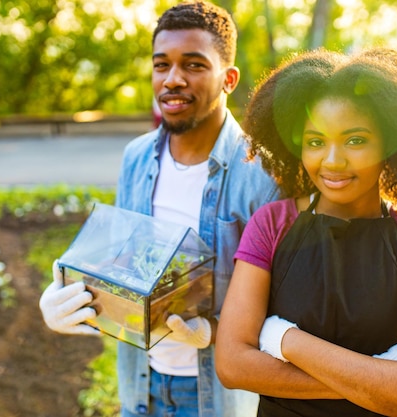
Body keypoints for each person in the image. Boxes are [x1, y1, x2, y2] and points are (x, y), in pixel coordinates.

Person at [38, 1, 280, 416]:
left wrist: (213, 331)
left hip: (216, 397)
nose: (173, 80)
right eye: (161, 65)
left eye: (194, 65)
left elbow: (285, 303)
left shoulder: (263, 174)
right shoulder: (135, 157)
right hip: (140, 385)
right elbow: (119, 260)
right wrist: (64, 289)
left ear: (229, 79)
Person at [215, 47, 397, 416]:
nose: (332, 161)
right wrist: (383, 380)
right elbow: (232, 364)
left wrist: (283, 339)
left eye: (355, 140)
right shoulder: (271, 225)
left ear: (389, 143)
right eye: (316, 141)